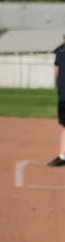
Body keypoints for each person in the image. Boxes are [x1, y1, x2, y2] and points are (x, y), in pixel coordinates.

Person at [47, 36, 65, 168]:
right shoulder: (60, 52)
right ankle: (63, 156)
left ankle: (63, 156)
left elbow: (57, 72)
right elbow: (58, 72)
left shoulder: (60, 52)